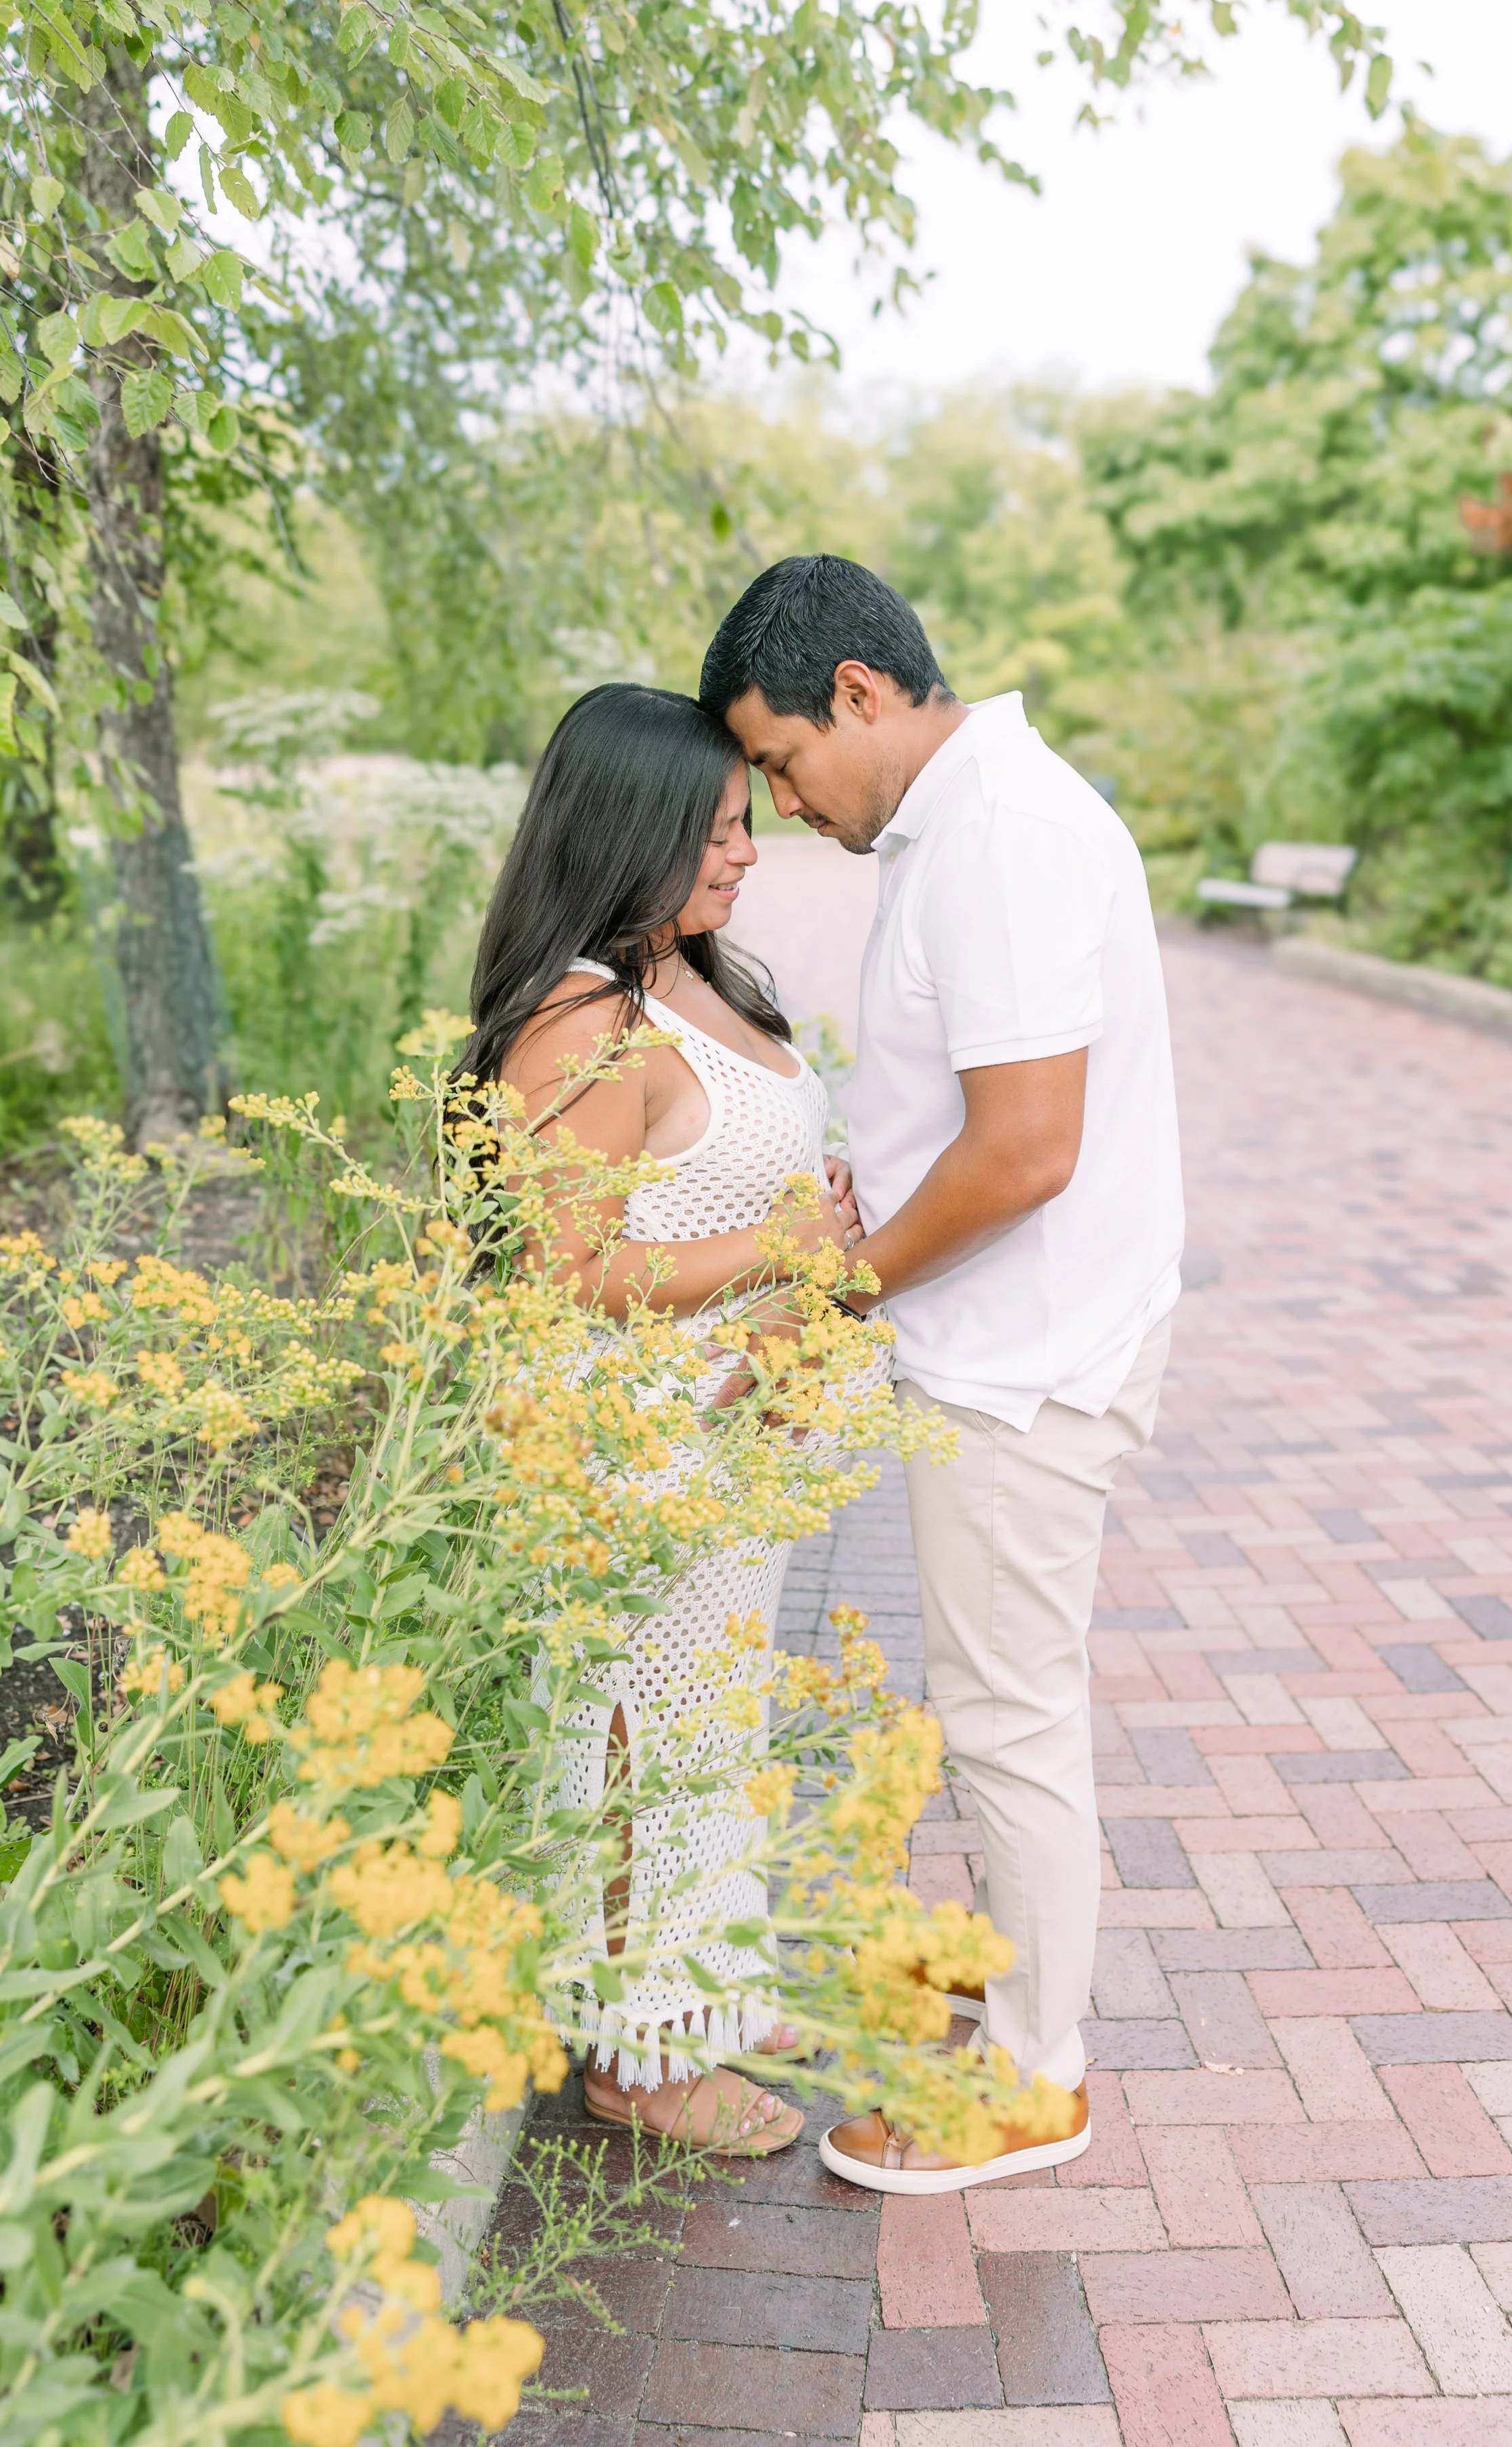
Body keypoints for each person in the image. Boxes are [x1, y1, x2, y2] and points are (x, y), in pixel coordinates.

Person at [701, 556, 1185, 2194]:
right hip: (998, 1342)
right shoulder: (952, 826)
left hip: (1022, 1363)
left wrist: (834, 1294)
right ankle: (1005, 1996)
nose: (777, 798)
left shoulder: (1004, 837)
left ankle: (1033, 2082)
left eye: (776, 759)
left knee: (1007, 1718)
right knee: (995, 1702)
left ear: (856, 691)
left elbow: (1025, 1150)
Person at [463, 680, 862, 2154]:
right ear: (622, 833)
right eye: (710, 834)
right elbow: (567, 1275)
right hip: (637, 1447)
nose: (742, 855)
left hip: (731, 1428)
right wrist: (788, 1257)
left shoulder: (698, 980)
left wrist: (811, 1277)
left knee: (713, 1730)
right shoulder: (577, 1017)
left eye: (746, 823)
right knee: (636, 1739)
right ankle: (635, 2057)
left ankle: (707, 1996)